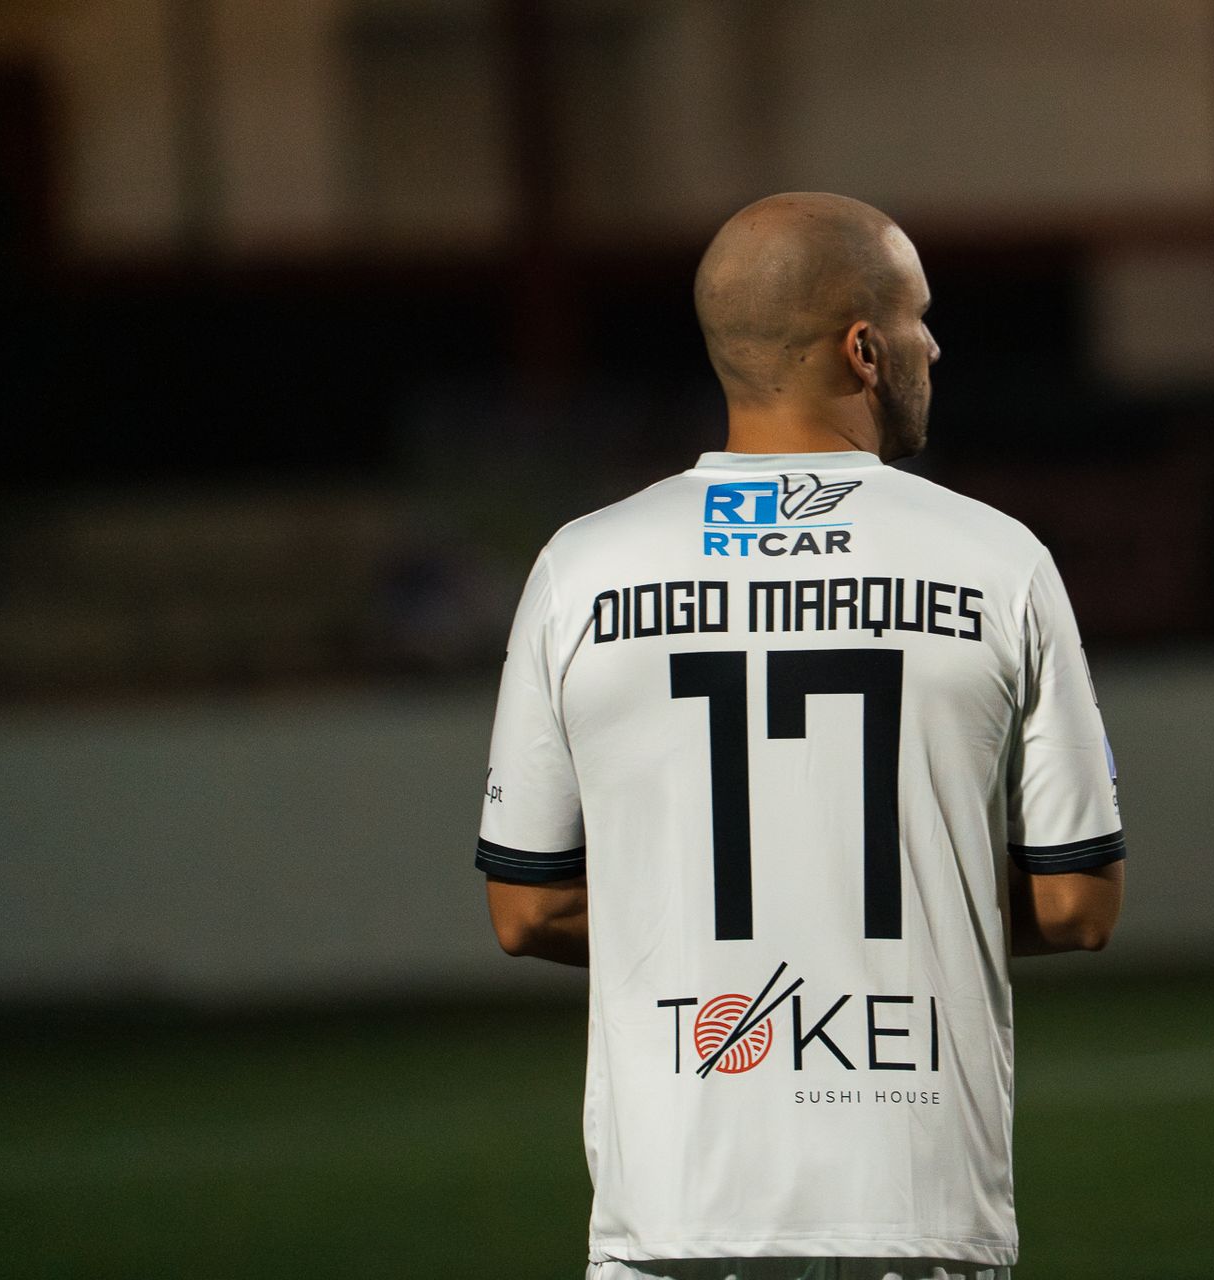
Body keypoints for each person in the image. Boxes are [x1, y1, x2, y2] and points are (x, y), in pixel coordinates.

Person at [477, 192, 1125, 1280]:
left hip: (675, 1207)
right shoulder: (996, 558)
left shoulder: (580, 566)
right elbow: (1077, 900)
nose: (936, 343)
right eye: (919, 317)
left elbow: (527, 904)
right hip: (916, 1201)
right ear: (866, 349)